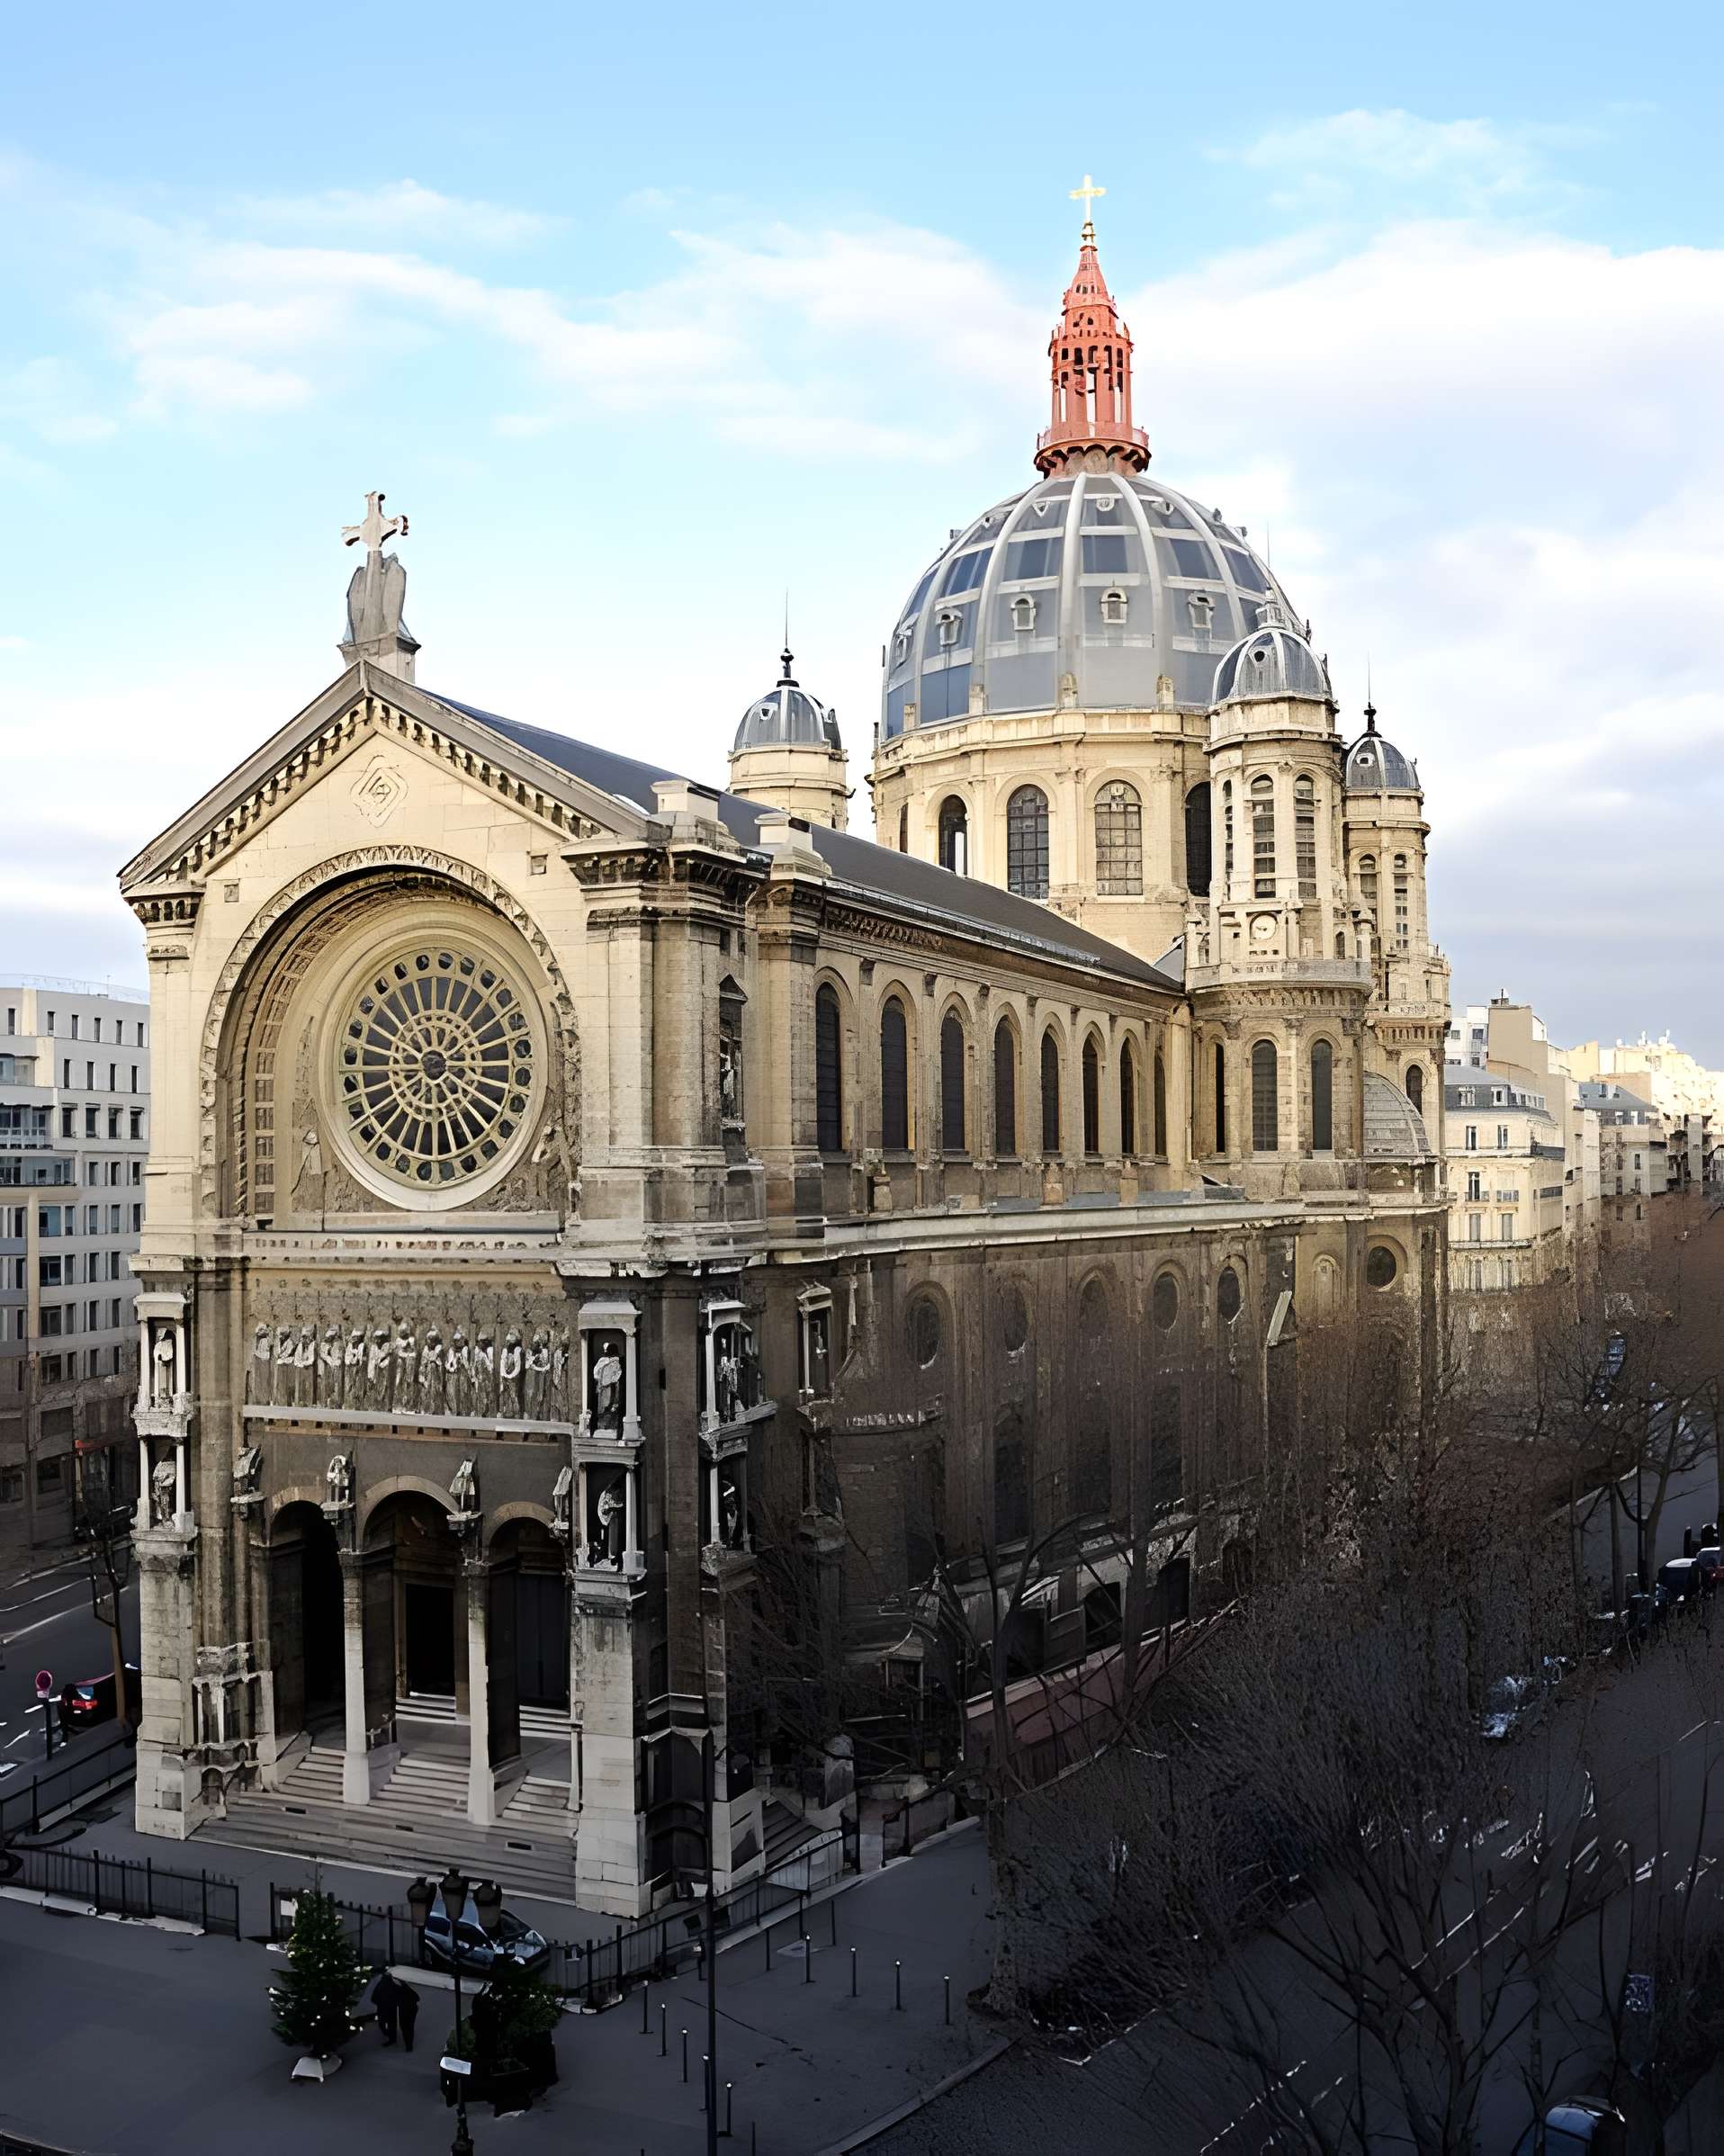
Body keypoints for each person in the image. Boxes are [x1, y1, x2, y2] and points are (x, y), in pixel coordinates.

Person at [372, 1966, 400, 2045]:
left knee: (389, 2024)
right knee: (386, 2024)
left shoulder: (391, 1985)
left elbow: (374, 1997)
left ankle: (392, 2038)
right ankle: (391, 2037)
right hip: (386, 2007)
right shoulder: (383, 1985)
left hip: (388, 2007)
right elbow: (374, 1997)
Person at [395, 1975, 420, 2053]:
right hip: (410, 2011)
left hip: (405, 2011)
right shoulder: (409, 1991)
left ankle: (408, 2044)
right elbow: (418, 1999)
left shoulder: (400, 1991)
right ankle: (409, 2045)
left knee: (405, 2028)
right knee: (409, 2028)